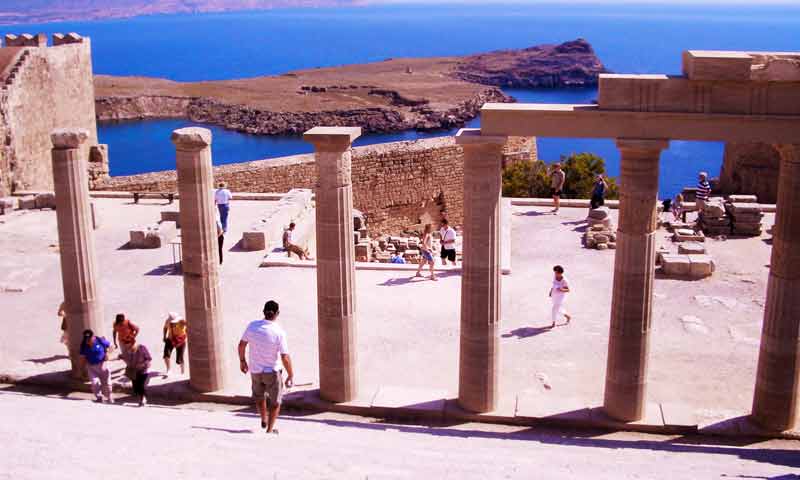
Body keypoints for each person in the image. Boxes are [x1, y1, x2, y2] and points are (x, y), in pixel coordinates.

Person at [238, 300, 294, 435]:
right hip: (272, 372)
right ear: (277, 314)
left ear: (263, 312)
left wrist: (242, 361)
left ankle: (263, 418)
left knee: (259, 397)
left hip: (255, 370)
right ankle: (269, 430)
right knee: (275, 402)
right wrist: (290, 375)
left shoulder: (252, 326)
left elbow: (241, 345)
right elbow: (285, 357)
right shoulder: (279, 332)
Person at [79, 329, 114, 403]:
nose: (88, 341)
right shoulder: (83, 345)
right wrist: (82, 369)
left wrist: (108, 354)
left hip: (103, 364)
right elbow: (82, 358)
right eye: (86, 339)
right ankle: (99, 397)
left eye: (89, 339)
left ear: (93, 337)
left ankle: (109, 397)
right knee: (95, 383)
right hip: (91, 367)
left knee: (107, 382)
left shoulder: (99, 340)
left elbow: (111, 346)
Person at [120, 341, 152, 407]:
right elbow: (121, 356)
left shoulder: (141, 348)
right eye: (127, 346)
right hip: (134, 372)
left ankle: (143, 399)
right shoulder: (127, 351)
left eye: (129, 346)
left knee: (142, 386)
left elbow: (148, 358)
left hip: (143, 371)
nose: (128, 348)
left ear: (133, 343)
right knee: (136, 388)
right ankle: (141, 397)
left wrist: (144, 364)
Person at [162, 312, 188, 377]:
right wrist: (164, 336)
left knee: (180, 358)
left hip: (180, 341)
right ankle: (168, 370)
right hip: (170, 339)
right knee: (166, 355)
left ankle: (182, 371)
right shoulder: (168, 321)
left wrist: (186, 335)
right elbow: (165, 328)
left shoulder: (182, 321)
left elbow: (189, 326)